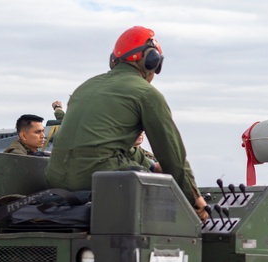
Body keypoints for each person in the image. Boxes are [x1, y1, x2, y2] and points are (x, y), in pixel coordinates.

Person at [45, 26, 209, 222]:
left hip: (56, 178)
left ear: (113, 59)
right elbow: (172, 154)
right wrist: (194, 198)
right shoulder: (146, 93)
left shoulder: (85, 86)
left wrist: (149, 164)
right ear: (150, 61)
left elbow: (99, 143)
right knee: (157, 189)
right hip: (99, 178)